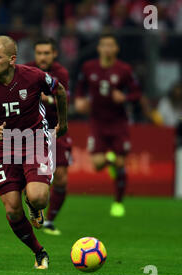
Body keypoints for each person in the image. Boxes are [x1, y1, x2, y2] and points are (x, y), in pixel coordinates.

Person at [0, 35, 68, 269]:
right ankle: (39, 252)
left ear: (12, 59)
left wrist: (63, 123)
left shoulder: (33, 76)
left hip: (34, 140)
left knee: (37, 197)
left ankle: (34, 207)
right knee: (13, 210)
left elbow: (61, 90)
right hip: (3, 147)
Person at [74, 33, 141, 217]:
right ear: (99, 48)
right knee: (96, 164)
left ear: (116, 49)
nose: (107, 49)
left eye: (111, 45)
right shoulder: (89, 67)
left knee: (121, 163)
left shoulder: (124, 70)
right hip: (97, 121)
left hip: (119, 122)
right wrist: (79, 100)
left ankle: (118, 203)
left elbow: (137, 94)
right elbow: (80, 87)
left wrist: (125, 98)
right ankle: (110, 160)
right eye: (104, 45)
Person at [25, 37, 72, 236]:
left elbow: (64, 97)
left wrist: (48, 99)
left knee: (60, 179)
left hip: (55, 129)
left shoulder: (61, 73)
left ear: (54, 54)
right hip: (33, 131)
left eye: (47, 53)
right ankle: (34, 205)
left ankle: (49, 221)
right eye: (39, 53)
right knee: (32, 180)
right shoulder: (26, 71)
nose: (43, 57)